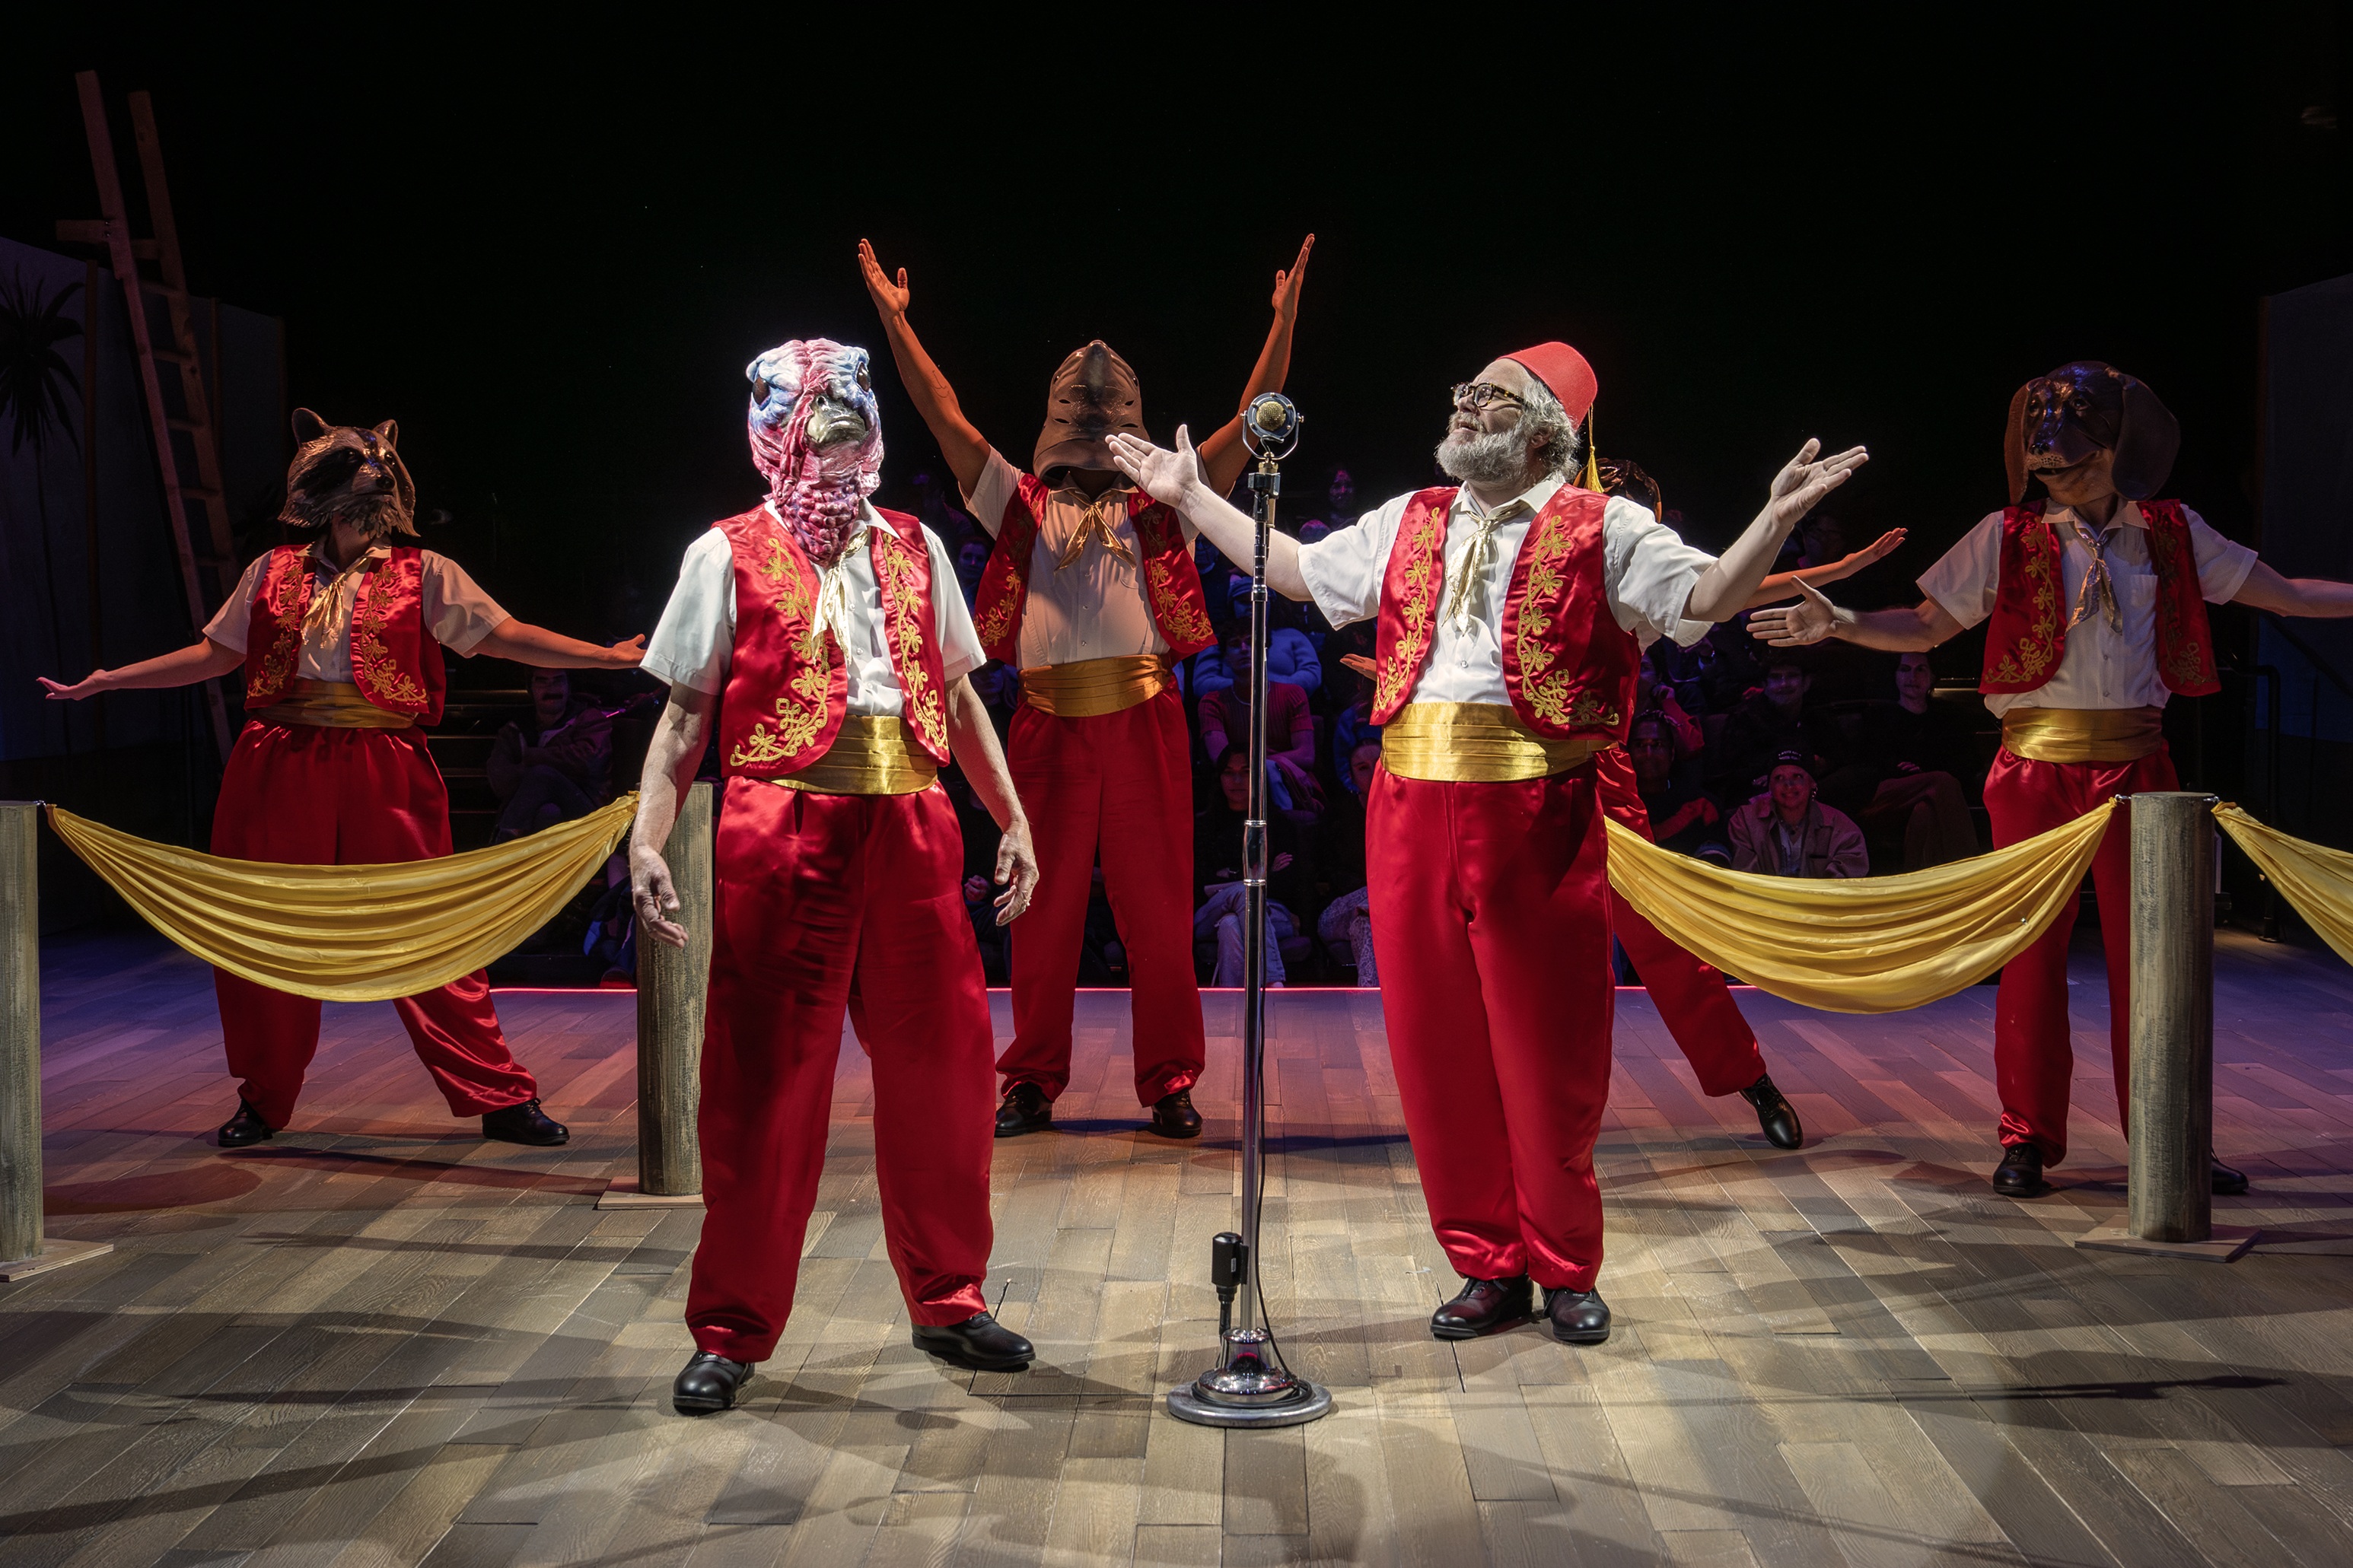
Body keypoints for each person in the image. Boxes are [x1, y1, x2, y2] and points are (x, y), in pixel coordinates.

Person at [1110, 342, 1863, 1347]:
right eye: (1463, 393)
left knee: (1549, 1051)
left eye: (1491, 398)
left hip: (1534, 813)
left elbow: (1706, 600)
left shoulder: (1605, 526)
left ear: (1546, 428)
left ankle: (1564, 1265)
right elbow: (1294, 570)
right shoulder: (1414, 516)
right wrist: (1193, 496)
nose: (1464, 408)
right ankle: (1487, 1263)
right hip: (1411, 804)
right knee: (1436, 1051)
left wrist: (1770, 520)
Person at [1747, 358, 2353, 1198]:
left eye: (2076, 450)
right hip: (2032, 770)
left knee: (2156, 965)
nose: (2055, 466)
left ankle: (2167, 1130)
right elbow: (1925, 624)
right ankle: (2025, 1135)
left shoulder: (2170, 531)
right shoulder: (2007, 536)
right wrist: (1841, 621)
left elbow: (2282, 595)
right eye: (2044, 453)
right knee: (2028, 960)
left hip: (2139, 771)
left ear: (2124, 446)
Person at [629, 338, 1042, 1414]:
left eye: (851, 418)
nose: (835, 435)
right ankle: (733, 1324)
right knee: (765, 1088)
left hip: (910, 818)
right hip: (783, 827)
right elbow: (684, 718)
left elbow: (955, 698)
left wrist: (1012, 817)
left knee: (945, 1074)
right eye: (814, 418)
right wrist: (643, 839)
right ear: (770, 432)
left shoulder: (914, 547)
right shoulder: (725, 553)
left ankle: (949, 1295)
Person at [40, 409, 639, 1149]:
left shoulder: (426, 574)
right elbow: (212, 655)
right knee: (267, 934)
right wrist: (109, 682)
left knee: (424, 930)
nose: (372, 476)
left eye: (379, 467)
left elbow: (506, 636)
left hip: (382, 764)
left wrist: (605, 659)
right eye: (354, 465)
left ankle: (497, 1095)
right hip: (277, 762)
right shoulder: (272, 572)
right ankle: (263, 1098)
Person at [861, 234, 1313, 1141]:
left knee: (1156, 914)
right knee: (1040, 913)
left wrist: (1283, 319)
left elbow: (1249, 415)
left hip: (1145, 720)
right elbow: (939, 412)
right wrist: (894, 324)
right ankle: (1031, 1079)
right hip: (1043, 728)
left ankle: (1169, 1081)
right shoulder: (1018, 502)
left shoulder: (1166, 504)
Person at [1832, 650, 1982, 869]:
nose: (1912, 677)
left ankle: (1921, 886)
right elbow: (1864, 764)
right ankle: (1970, 867)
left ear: (1932, 676)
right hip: (1885, 795)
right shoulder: (1878, 717)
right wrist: (1899, 769)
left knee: (1924, 812)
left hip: (1929, 796)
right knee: (1941, 782)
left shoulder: (1948, 718)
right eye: (1905, 670)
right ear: (1895, 675)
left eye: (1921, 669)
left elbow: (1968, 764)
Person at [1194, 745, 1304, 986]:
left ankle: (1229, 1007)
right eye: (1229, 772)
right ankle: (1274, 982)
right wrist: (1264, 874)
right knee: (1248, 892)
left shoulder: (1279, 824)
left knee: (1231, 925)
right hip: (1210, 913)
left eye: (1245, 772)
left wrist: (1228, 876)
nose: (1237, 780)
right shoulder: (1203, 827)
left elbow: (1289, 883)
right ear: (1219, 777)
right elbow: (1199, 885)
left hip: (1272, 913)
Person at [487, 669, 614, 841]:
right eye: (542, 681)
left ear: (568, 686)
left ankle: (503, 842)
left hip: (583, 810)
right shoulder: (515, 729)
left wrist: (531, 757)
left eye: (558, 680)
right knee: (548, 812)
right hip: (534, 813)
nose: (551, 688)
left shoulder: (589, 719)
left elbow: (588, 761)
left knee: (543, 775)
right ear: (530, 688)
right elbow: (500, 781)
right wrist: (530, 777)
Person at [1729, 752, 1868, 876]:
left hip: (1820, 904)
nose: (1788, 785)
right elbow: (1745, 878)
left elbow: (1845, 888)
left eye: (1797, 776)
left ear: (1812, 783)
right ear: (1770, 786)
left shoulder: (1843, 829)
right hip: (1761, 903)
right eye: (1779, 778)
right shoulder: (1745, 820)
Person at [1316, 740, 1383, 984]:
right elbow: (1331, 876)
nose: (1374, 771)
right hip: (1338, 909)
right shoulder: (1339, 818)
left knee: (1363, 924)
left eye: (1378, 763)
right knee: (1371, 902)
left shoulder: (1407, 813)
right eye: (1363, 768)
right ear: (1352, 778)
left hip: (1378, 910)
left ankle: (1369, 1012)